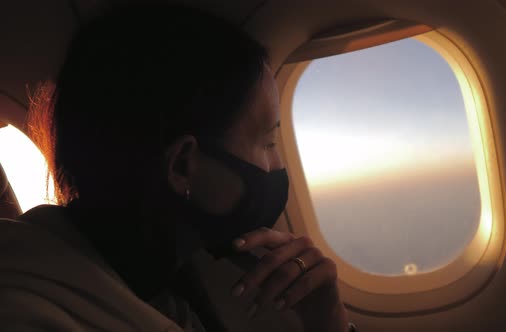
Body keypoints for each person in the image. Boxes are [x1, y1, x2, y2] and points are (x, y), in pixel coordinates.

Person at [0, 3, 352, 332]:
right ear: (182, 165)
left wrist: (325, 317)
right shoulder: (29, 313)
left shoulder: (161, 281)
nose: (277, 165)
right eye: (268, 143)